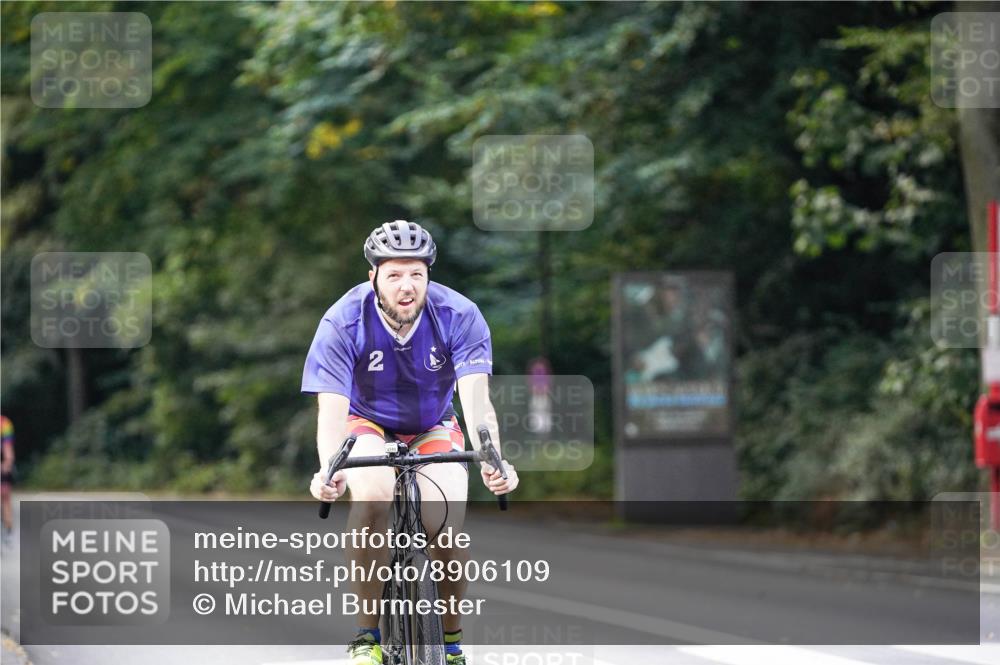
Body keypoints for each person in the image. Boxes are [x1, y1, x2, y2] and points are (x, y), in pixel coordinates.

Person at [303, 220, 518, 665]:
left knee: (447, 518)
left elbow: (478, 404)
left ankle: (452, 642)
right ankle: (367, 637)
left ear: (429, 276)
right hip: (367, 422)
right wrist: (329, 469)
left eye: (416, 274)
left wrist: (494, 460)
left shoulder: (460, 314)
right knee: (374, 499)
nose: (407, 286)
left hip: (432, 423)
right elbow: (332, 410)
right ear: (373, 277)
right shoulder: (342, 321)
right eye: (395, 274)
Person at [1, 414, 15, 540]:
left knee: (5, 494)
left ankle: (8, 527)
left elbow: (7, 447)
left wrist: (7, 462)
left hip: (3, 463)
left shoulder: (4, 423)